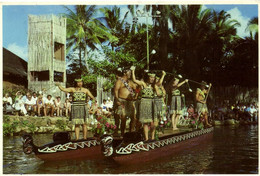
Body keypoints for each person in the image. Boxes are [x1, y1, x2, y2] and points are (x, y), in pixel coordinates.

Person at [131, 66, 159, 142]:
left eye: (153, 78)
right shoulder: (143, 84)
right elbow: (134, 80)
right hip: (144, 103)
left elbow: (159, 94)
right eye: (151, 77)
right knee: (145, 122)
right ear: (148, 77)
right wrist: (133, 71)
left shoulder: (154, 86)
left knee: (153, 122)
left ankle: (152, 138)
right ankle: (146, 138)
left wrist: (160, 94)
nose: (152, 79)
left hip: (152, 103)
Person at [114, 68, 137, 137]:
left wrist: (136, 94)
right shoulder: (119, 81)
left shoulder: (130, 82)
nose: (130, 74)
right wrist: (117, 100)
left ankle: (131, 132)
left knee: (134, 118)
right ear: (124, 73)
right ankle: (122, 134)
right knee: (123, 117)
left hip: (130, 102)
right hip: (122, 101)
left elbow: (136, 89)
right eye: (129, 72)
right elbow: (116, 90)